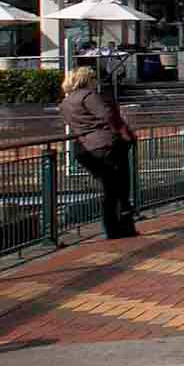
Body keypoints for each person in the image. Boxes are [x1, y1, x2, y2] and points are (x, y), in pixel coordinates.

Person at [59, 66, 138, 240]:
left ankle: (113, 227)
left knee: (108, 187)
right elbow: (107, 115)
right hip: (107, 144)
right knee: (119, 187)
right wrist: (122, 133)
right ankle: (120, 226)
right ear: (87, 80)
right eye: (93, 78)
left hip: (86, 148)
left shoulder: (66, 102)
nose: (96, 82)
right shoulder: (89, 96)